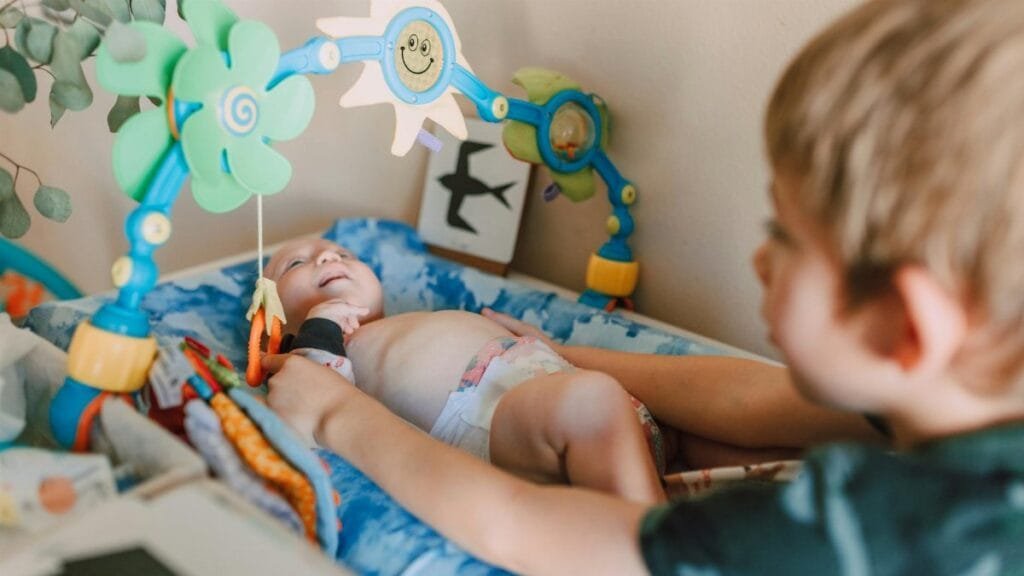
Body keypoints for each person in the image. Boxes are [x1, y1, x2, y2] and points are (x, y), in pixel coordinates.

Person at [266, 0, 1024, 571]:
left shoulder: (865, 524)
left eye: (784, 238)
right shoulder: (974, 389)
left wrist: (334, 416)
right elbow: (759, 397)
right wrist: (567, 351)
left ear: (907, 328)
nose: (761, 261)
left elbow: (519, 525)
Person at [264, 237, 666, 503]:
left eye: (344, 254)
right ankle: (655, 543)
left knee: (613, 406)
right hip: (497, 422)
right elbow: (315, 394)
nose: (328, 256)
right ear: (271, 326)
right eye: (295, 263)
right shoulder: (324, 349)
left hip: (585, 400)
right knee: (590, 400)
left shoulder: (408, 319)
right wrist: (320, 328)